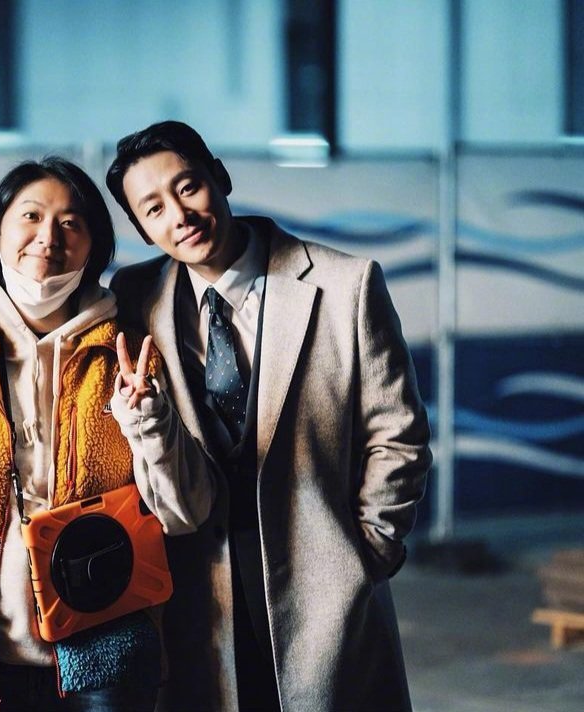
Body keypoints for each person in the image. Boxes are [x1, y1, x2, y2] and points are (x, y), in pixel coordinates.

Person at [104, 121, 432, 712]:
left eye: (188, 187)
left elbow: (398, 434)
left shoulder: (345, 284)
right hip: (199, 594)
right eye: (153, 209)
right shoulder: (134, 296)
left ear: (220, 177)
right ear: (143, 228)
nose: (179, 215)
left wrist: (368, 553)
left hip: (326, 585)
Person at [0, 157, 214, 711]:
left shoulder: (127, 350)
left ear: (93, 248)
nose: (48, 238)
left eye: (71, 223)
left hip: (107, 646)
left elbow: (185, 513)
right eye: (31, 216)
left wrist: (148, 419)